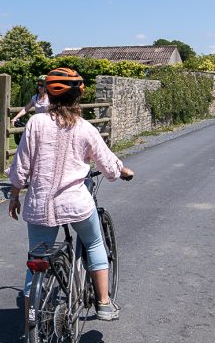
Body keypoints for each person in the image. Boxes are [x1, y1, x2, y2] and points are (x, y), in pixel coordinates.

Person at [7, 67, 134, 322]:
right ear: (78, 97)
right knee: (95, 243)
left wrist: (14, 194)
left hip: (40, 205)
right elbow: (107, 163)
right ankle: (104, 302)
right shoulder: (85, 128)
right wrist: (121, 170)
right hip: (76, 204)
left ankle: (31, 320)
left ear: (50, 96)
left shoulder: (35, 124)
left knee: (37, 257)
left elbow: (21, 166)